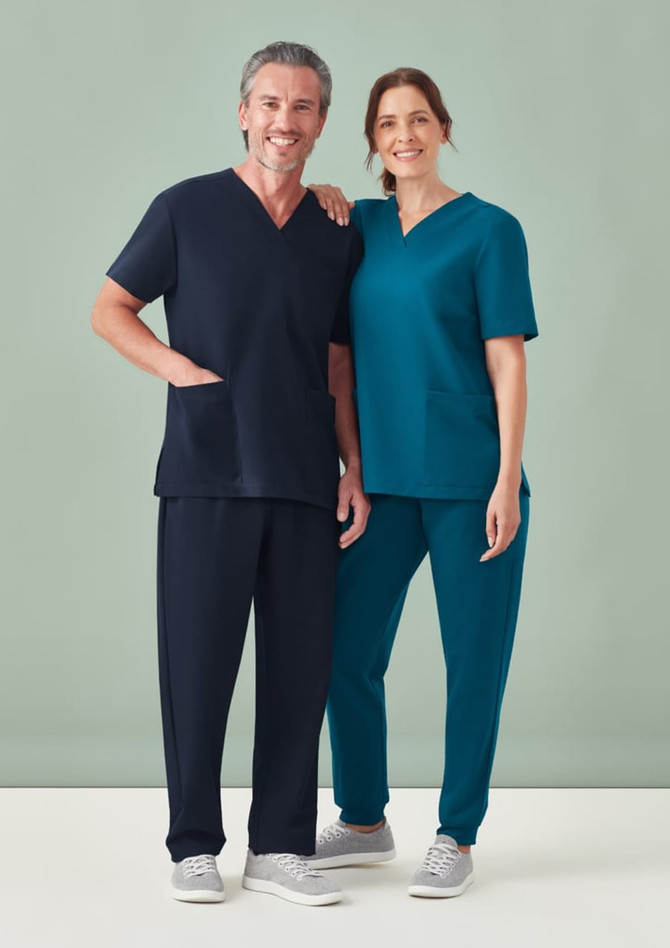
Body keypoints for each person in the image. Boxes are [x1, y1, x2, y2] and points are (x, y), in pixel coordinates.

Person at [90, 41, 369, 907]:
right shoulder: (186, 209)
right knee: (198, 661)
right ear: (244, 111)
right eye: (270, 103)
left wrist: (352, 466)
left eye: (304, 107)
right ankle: (193, 844)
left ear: (322, 122)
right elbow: (110, 308)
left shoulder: (336, 230)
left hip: (301, 472)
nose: (285, 121)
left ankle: (282, 844)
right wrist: (181, 372)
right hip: (207, 469)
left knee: (299, 664)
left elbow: (337, 360)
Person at [306, 67, 538, 897]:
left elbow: (506, 361)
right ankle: (364, 819)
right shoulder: (356, 226)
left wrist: (506, 481)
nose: (404, 135)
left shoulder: (489, 230)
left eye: (419, 119)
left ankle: (458, 833)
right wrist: (353, 467)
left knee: (474, 662)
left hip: (472, 481)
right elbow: (337, 350)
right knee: (341, 650)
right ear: (371, 139)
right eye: (387, 124)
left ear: (443, 127)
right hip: (383, 484)